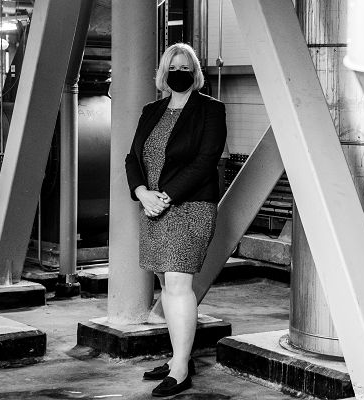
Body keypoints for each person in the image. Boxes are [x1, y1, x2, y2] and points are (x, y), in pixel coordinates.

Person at [125, 43, 227, 397]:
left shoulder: (210, 110)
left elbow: (205, 161)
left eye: (185, 66)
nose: (179, 72)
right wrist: (141, 192)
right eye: (173, 66)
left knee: (179, 285)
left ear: (195, 72)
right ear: (163, 73)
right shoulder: (151, 110)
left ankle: (181, 369)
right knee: (167, 286)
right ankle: (177, 357)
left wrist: (165, 196)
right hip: (152, 206)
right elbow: (132, 157)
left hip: (189, 206)